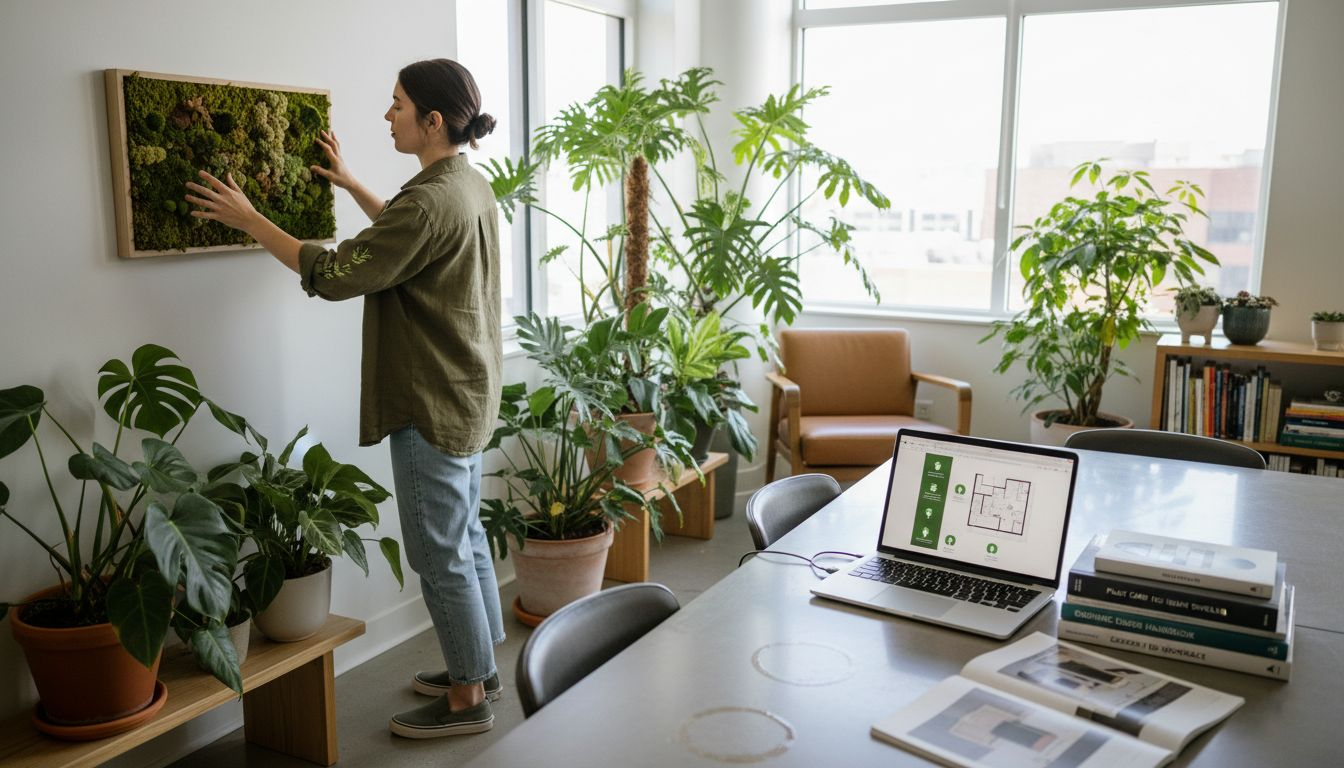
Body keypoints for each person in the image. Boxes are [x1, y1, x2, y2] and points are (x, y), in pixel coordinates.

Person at [186, 59, 505, 739]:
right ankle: (481, 668)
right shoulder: (465, 185)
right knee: (467, 539)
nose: (386, 116)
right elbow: (405, 237)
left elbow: (334, 275)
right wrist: (353, 182)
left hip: (429, 400)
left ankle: (467, 699)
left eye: (396, 105)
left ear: (433, 121)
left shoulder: (428, 201)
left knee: (439, 553)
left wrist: (253, 220)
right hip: (469, 393)